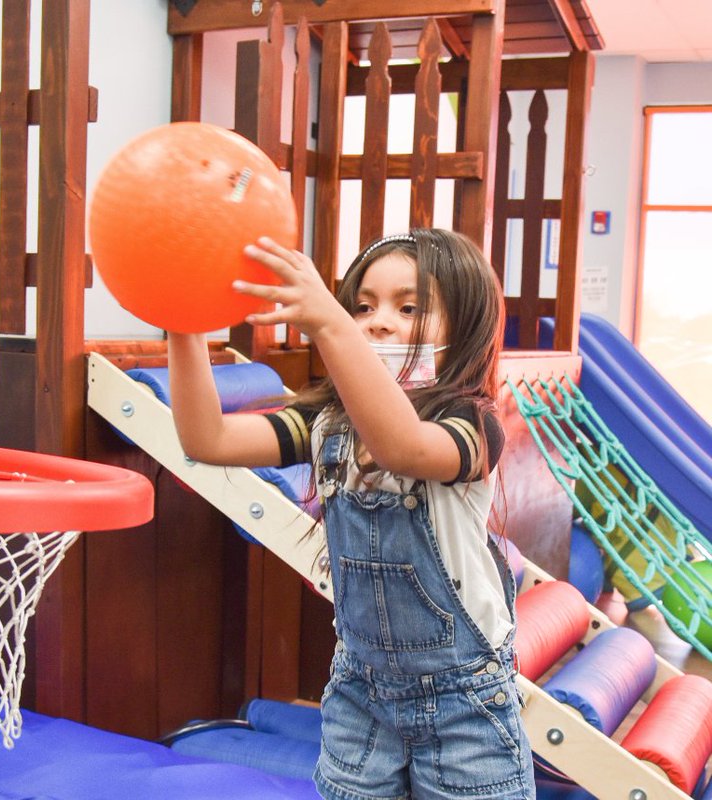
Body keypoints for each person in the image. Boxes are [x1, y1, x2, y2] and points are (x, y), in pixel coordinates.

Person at [167, 229, 533, 799]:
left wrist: (333, 326)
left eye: (409, 308)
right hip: (361, 694)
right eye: (362, 306)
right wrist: (183, 324)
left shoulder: (473, 424)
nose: (378, 321)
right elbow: (206, 437)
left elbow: (402, 447)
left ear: (465, 327)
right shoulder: (328, 423)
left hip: (467, 701)